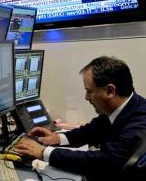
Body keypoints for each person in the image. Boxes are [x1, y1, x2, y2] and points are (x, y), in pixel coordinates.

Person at [14, 56, 146, 181]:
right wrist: (57, 138)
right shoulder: (126, 107)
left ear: (110, 91)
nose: (86, 97)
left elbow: (106, 160)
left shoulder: (140, 122)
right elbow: (92, 130)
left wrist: (44, 152)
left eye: (90, 91)